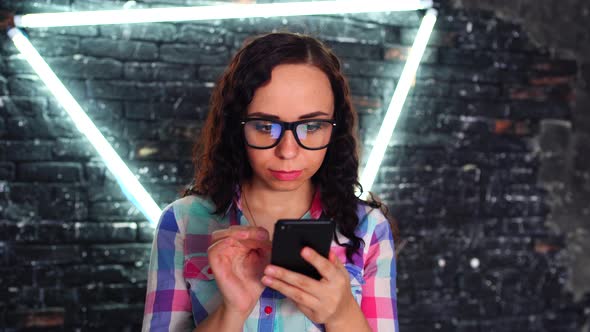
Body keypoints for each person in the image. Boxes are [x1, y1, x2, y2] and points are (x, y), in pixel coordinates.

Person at [142, 32, 400, 332]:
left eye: (313, 126)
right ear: (236, 127)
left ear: (335, 128)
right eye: (265, 126)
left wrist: (342, 314)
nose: (288, 151)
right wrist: (232, 312)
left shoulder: (368, 228)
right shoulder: (183, 222)